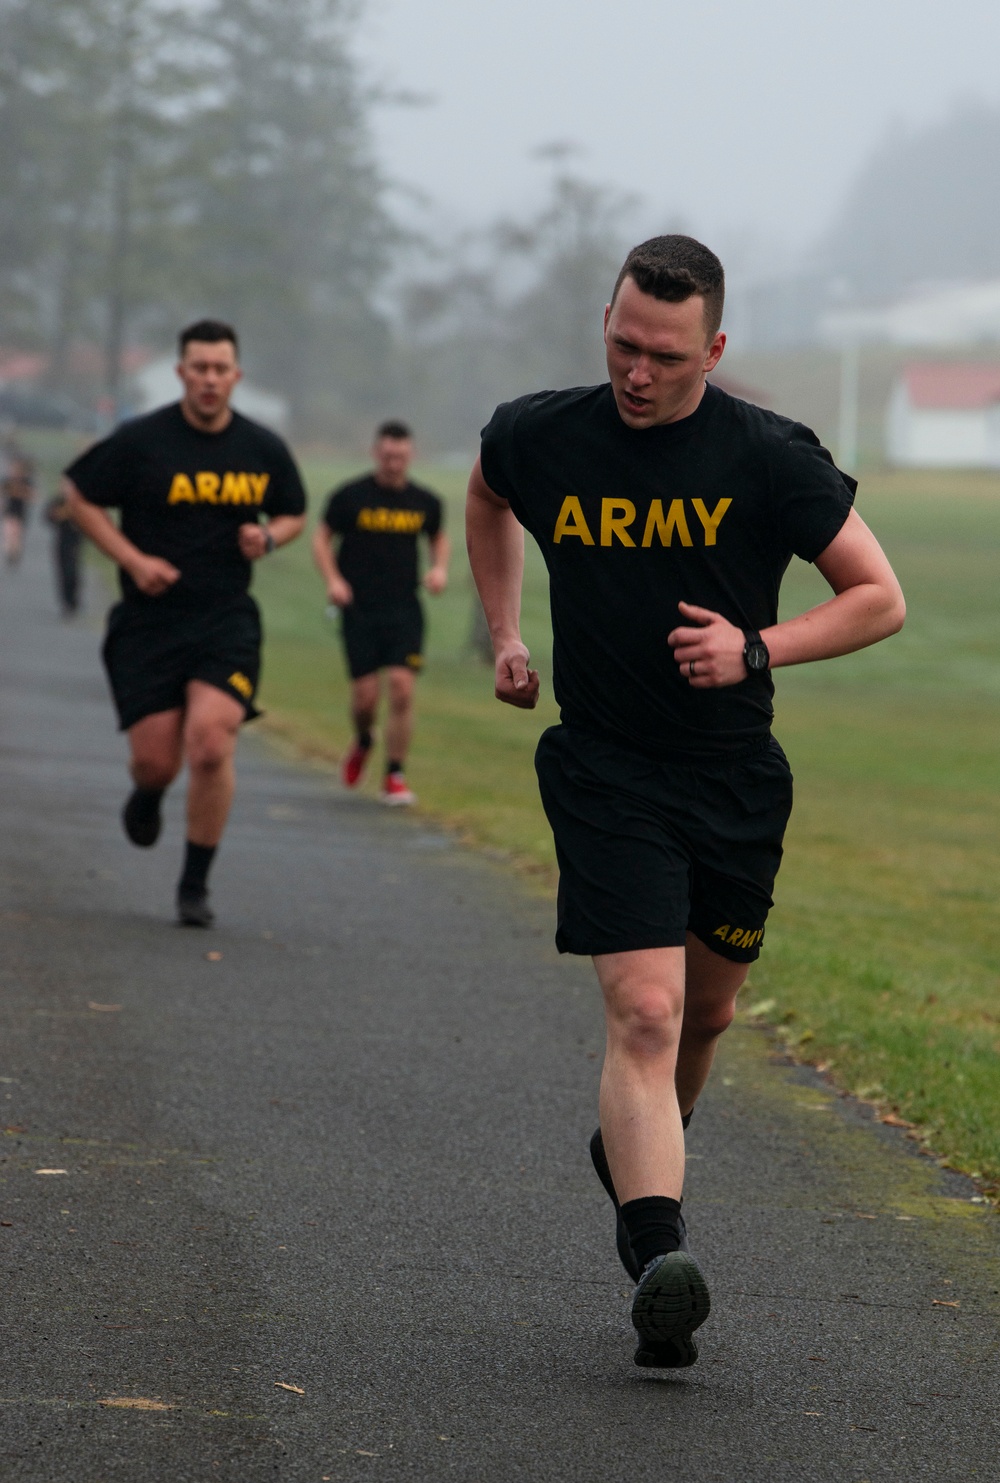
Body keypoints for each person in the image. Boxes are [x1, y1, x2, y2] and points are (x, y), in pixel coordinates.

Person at [466, 235, 905, 1369]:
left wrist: (755, 647)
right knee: (648, 1012)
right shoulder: (541, 430)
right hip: (605, 768)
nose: (636, 372)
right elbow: (487, 494)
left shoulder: (769, 457)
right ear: (604, 324)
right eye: (620, 344)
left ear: (712, 348)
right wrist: (507, 633)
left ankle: (639, 1149)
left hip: (734, 778)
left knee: (705, 1017)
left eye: (663, 354)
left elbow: (877, 600)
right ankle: (659, 1259)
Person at [63, 319, 307, 927]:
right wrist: (133, 560)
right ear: (180, 373)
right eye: (198, 368)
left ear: (236, 376)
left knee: (210, 742)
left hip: (225, 618)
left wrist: (267, 537)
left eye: (220, 369)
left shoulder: (261, 447)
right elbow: (79, 495)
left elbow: (294, 512)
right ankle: (147, 794)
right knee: (156, 761)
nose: (209, 379)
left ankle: (194, 886)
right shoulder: (142, 441)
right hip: (149, 622)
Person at [312, 420, 449, 806]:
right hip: (359, 610)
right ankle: (364, 740)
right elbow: (321, 538)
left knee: (403, 690)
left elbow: (438, 537)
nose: (393, 463)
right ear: (376, 453)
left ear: (411, 456)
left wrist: (438, 568)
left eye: (401, 456)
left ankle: (394, 774)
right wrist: (333, 580)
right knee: (366, 700)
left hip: (404, 608)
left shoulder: (426, 501)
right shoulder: (350, 497)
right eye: (387, 455)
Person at [45, 492, 83, 615]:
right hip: (62, 541)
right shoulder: (58, 501)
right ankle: (66, 602)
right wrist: (58, 514)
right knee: (63, 572)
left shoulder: (82, 502)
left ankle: (73, 600)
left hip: (75, 542)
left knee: (73, 572)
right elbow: (48, 518)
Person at [2, 442, 36, 566]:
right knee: (8, 532)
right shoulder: (7, 481)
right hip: (9, 511)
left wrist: (20, 492)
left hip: (20, 512)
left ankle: (15, 553)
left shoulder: (26, 482)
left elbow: (33, 496)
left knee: (16, 534)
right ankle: (9, 552)